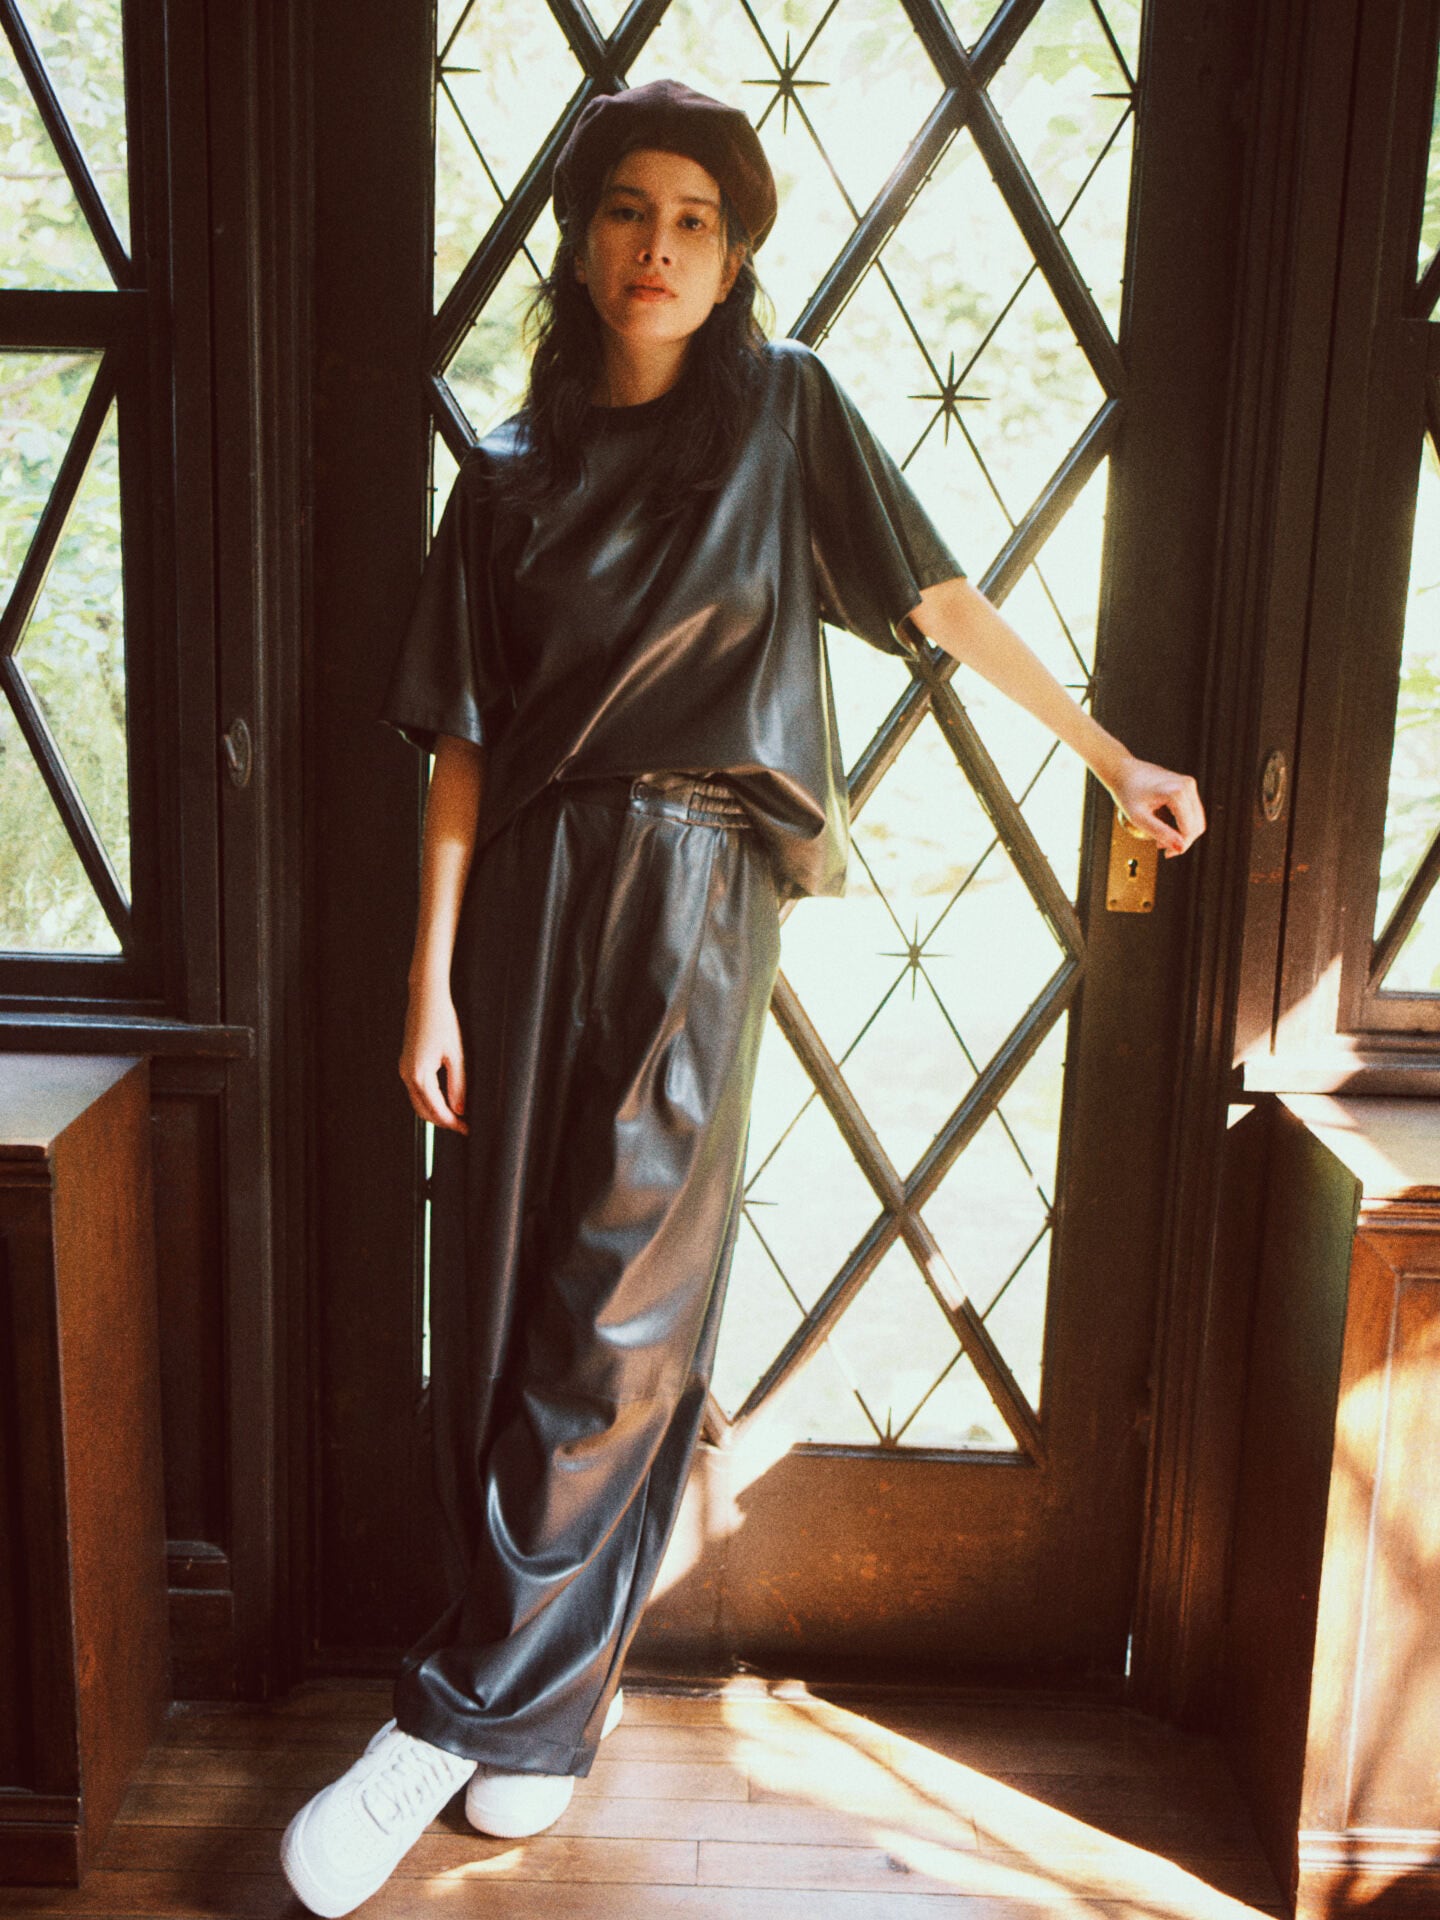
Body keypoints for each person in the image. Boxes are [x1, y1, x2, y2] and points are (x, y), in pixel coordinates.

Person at [280, 77, 1205, 1919]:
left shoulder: (787, 414)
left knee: (614, 1312)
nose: (659, 246)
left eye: (696, 219)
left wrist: (1111, 758)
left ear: (736, 255)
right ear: (580, 241)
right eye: (629, 209)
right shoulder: (505, 478)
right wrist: (428, 980)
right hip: (527, 895)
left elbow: (939, 600)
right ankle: (546, 1709)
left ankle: (446, 1720)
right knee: (501, 1305)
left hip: (698, 885)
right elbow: (461, 749)